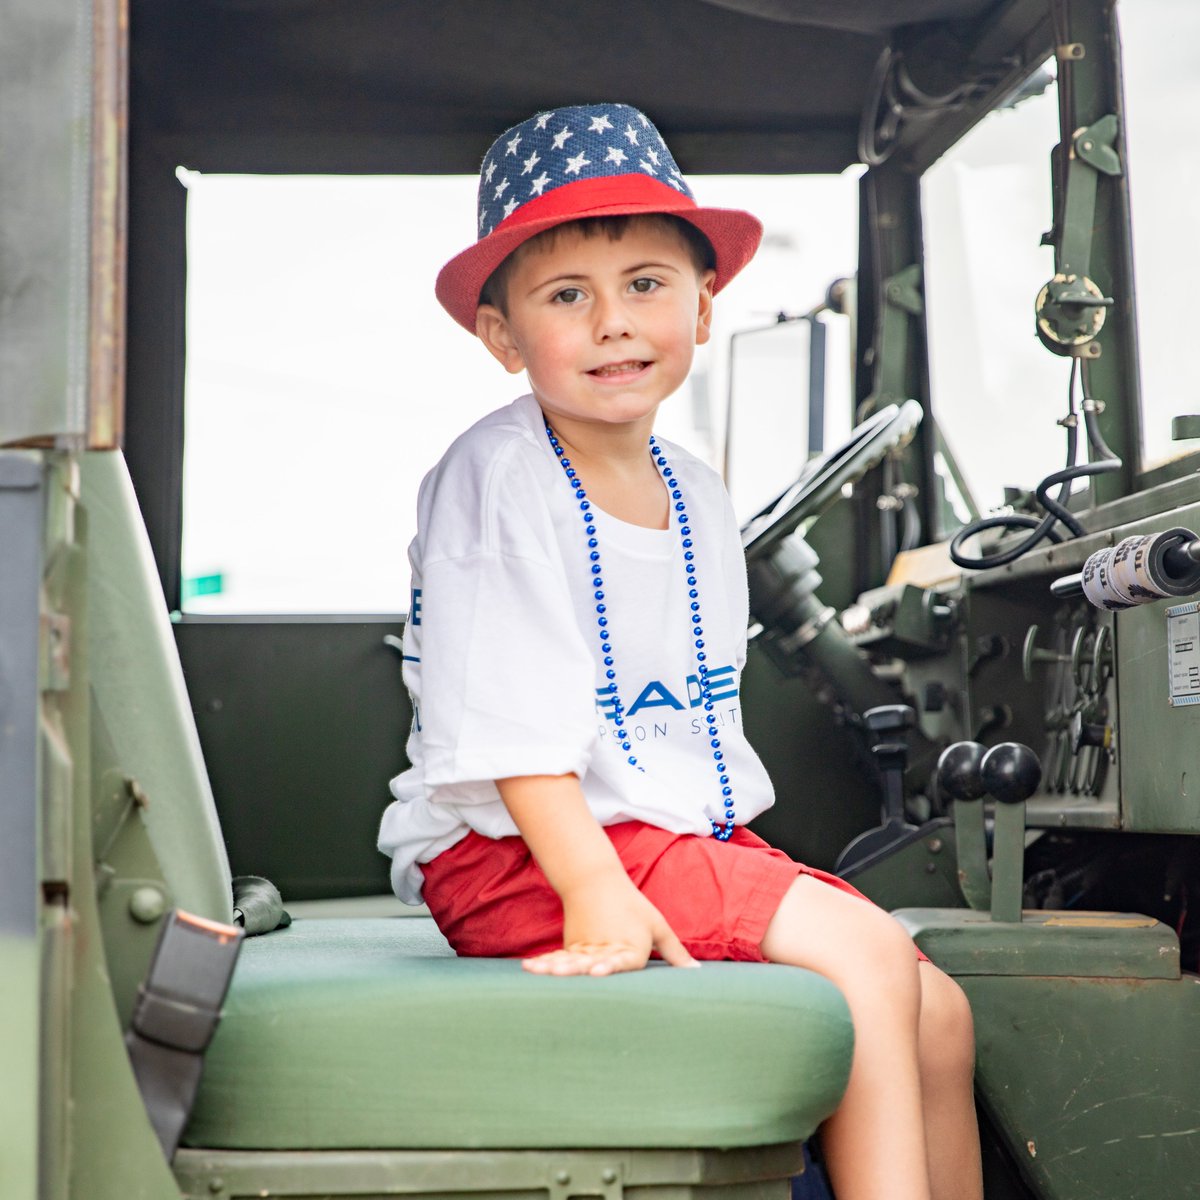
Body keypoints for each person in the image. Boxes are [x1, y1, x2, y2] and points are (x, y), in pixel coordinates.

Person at [378, 103, 981, 1200]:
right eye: (568, 296)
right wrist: (595, 892)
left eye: (647, 284)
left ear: (704, 309)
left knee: (939, 1012)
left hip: (651, 833)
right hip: (520, 855)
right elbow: (518, 727)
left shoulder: (695, 490)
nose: (615, 322)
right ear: (504, 336)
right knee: (866, 962)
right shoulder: (501, 475)